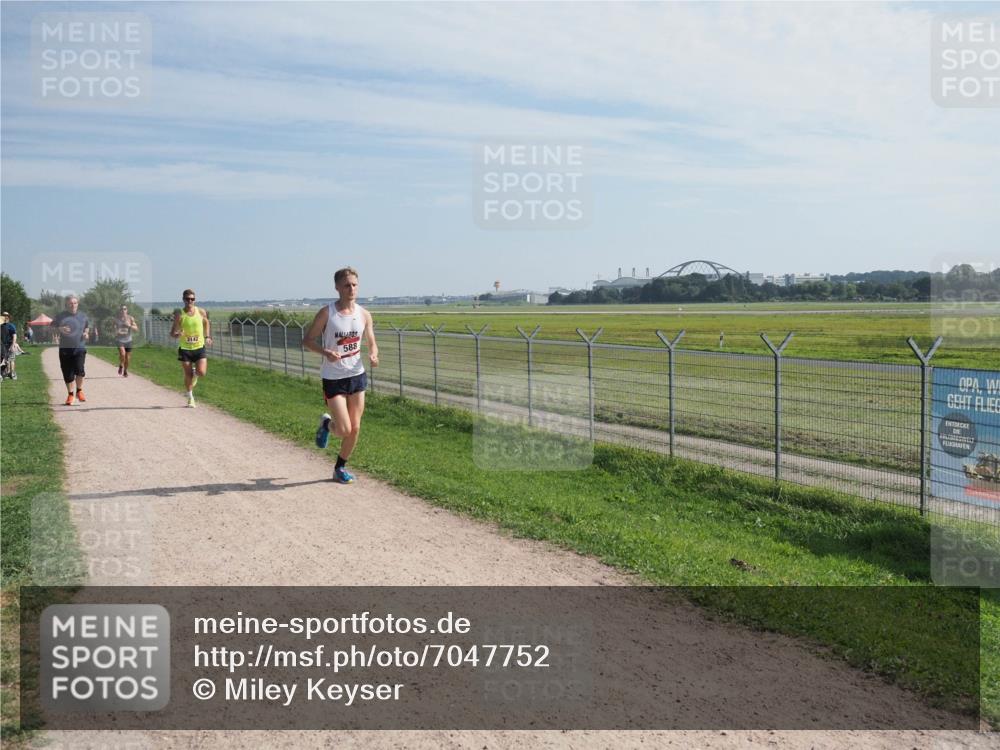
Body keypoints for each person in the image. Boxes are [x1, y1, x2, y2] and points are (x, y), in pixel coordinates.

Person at [304, 267, 379, 484]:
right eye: (347, 285)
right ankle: (326, 424)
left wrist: (373, 354)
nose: (351, 289)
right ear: (337, 287)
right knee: (344, 429)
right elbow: (307, 341)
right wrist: (326, 352)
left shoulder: (364, 314)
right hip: (333, 378)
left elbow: (371, 341)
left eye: (354, 285)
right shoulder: (327, 313)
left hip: (357, 375)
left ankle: (340, 468)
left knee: (355, 428)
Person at [169, 289, 211, 407]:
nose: (190, 301)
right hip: (185, 349)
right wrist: (178, 334)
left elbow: (206, 322)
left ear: (195, 300)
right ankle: (190, 397)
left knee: (201, 372)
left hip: (199, 347)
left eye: (192, 299)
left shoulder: (201, 312)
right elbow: (172, 333)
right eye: (187, 299)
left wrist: (207, 336)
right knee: (188, 375)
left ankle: (195, 373)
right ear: (183, 300)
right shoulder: (179, 315)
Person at [51, 296, 90, 405]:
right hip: (65, 349)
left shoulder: (83, 316)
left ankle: (79, 391)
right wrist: (60, 328)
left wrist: (86, 333)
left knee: (80, 370)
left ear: (78, 304)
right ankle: (70, 394)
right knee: (68, 373)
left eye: (75, 303)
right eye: (70, 303)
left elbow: (86, 327)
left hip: (79, 347)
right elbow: (51, 327)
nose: (73, 305)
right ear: (66, 305)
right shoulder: (60, 316)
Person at [114, 305, 139, 376]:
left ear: (127, 310)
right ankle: (121, 364)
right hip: (120, 340)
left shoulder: (130, 318)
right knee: (122, 354)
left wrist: (129, 326)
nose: (123, 310)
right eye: (121, 309)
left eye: (124, 309)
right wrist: (117, 332)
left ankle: (125, 370)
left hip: (128, 340)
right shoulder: (116, 319)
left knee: (127, 358)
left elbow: (136, 328)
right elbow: (114, 330)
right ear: (119, 311)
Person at [1, 313, 18, 380]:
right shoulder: (1, 326)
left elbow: (14, 336)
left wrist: (12, 345)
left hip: (10, 345)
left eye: (6, 316)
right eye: (3, 316)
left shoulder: (11, 326)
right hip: (3, 346)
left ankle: (12, 373)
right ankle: (8, 373)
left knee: (11, 360)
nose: (5, 317)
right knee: (6, 360)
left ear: (8, 317)